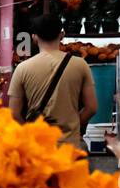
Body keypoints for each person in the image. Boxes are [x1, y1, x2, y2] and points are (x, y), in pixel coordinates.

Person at [7, 14, 97, 149]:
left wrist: (30, 132)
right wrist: (73, 126)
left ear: (34, 37)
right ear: (62, 35)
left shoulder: (22, 68)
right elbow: (91, 108)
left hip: (38, 149)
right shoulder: (80, 65)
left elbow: (13, 113)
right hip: (70, 148)